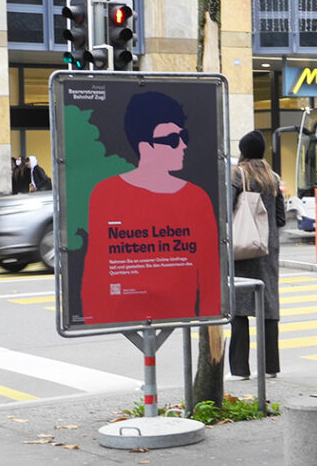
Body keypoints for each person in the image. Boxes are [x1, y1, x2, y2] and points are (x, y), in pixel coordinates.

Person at [81, 92, 220, 325]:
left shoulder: (197, 198)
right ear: (145, 145)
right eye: (173, 139)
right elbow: (96, 270)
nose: (183, 145)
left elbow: (210, 278)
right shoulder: (105, 193)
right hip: (125, 310)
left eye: (183, 135)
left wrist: (208, 317)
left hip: (178, 312)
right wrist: (92, 318)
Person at [229, 130, 286, 380]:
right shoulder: (273, 178)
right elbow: (281, 218)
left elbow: (227, 210)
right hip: (267, 250)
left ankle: (240, 370)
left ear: (242, 150)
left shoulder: (237, 174)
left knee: (239, 309)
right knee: (268, 308)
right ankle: (270, 367)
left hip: (242, 249)